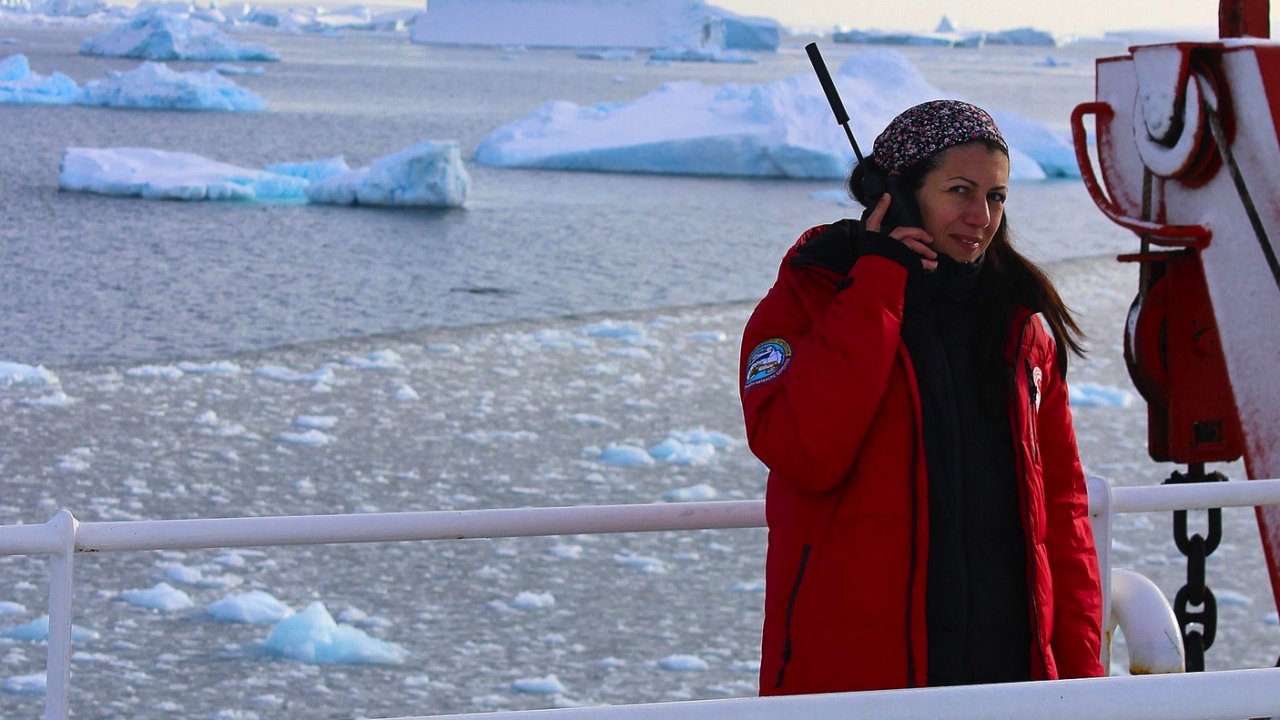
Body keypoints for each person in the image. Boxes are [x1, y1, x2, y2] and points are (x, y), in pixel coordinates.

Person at [739, 99, 1104, 696]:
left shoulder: (1018, 327)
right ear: (897, 194)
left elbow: (1062, 516)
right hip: (859, 685)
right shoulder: (810, 299)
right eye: (960, 190)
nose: (981, 217)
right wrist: (877, 284)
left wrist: (1086, 684)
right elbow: (802, 448)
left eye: (996, 197)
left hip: (1010, 682)